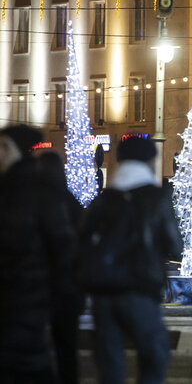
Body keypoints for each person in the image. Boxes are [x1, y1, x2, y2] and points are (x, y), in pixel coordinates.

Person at [79, 136, 182, 384]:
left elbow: (82, 240)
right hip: (140, 287)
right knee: (154, 352)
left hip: (103, 292)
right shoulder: (156, 198)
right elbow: (175, 245)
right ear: (148, 160)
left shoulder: (102, 200)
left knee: (110, 361)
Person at [0, 126, 76, 383]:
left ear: (19, 152)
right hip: (19, 299)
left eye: (4, 147)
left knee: (27, 365)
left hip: (28, 299)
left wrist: (62, 299)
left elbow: (61, 248)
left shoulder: (39, 191)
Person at [36, 151, 84, 384]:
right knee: (67, 349)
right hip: (68, 289)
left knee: (37, 347)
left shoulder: (33, 202)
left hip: (39, 287)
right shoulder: (71, 202)